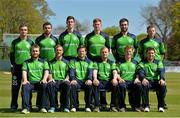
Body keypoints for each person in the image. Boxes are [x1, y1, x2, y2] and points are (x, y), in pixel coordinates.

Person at [10, 24, 34, 111]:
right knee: (15, 88)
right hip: (17, 68)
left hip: (27, 69)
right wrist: (12, 64)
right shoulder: (14, 42)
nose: (23, 31)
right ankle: (13, 105)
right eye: (22, 30)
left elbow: (33, 54)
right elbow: (12, 55)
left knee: (27, 87)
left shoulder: (31, 42)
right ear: (19, 31)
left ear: (27, 31)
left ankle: (28, 105)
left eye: (25, 30)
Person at [21, 44, 49, 114]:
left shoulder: (44, 61)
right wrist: (25, 80)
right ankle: (26, 108)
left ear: (39, 52)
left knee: (45, 85)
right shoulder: (26, 62)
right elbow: (24, 71)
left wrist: (44, 79)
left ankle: (42, 107)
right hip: (30, 83)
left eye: (36, 51)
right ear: (31, 52)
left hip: (39, 82)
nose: (35, 52)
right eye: (33, 51)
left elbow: (46, 71)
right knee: (25, 86)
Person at [138, 47, 166, 112]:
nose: (151, 54)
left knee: (163, 86)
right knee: (144, 85)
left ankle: (161, 106)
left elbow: (161, 71)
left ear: (155, 54)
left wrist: (162, 79)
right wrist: (143, 79)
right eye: (149, 53)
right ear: (146, 54)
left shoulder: (158, 62)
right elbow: (141, 72)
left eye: (152, 53)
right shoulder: (142, 62)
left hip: (156, 81)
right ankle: (146, 106)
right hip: (147, 81)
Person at [116, 46, 142, 112]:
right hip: (123, 81)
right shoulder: (119, 62)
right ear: (124, 52)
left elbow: (138, 72)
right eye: (127, 51)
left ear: (133, 52)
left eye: (130, 51)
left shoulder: (136, 62)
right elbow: (117, 73)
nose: (128, 53)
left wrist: (137, 78)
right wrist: (120, 79)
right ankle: (122, 106)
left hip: (133, 81)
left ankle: (136, 106)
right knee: (121, 86)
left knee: (139, 85)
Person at [92, 47, 118, 112]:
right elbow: (95, 71)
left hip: (109, 82)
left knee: (115, 85)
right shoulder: (96, 62)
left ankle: (113, 106)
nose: (104, 53)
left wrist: (114, 79)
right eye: (103, 52)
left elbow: (114, 71)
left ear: (109, 53)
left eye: (106, 52)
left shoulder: (112, 62)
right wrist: (95, 79)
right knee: (95, 84)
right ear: (100, 53)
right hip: (100, 81)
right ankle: (97, 106)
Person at [47, 45, 70, 113]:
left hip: (63, 80)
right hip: (54, 80)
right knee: (50, 84)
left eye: (60, 50)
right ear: (54, 51)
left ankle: (65, 106)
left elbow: (68, 72)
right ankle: (53, 106)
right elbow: (49, 72)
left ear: (62, 51)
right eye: (57, 50)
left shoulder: (67, 62)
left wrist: (66, 78)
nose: (58, 51)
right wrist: (51, 78)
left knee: (67, 84)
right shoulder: (51, 62)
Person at [69, 45, 93, 112]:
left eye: (83, 51)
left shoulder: (90, 62)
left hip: (85, 80)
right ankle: (74, 106)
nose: (81, 53)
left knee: (89, 85)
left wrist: (89, 79)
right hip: (77, 80)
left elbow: (90, 72)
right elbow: (71, 71)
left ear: (86, 52)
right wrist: (73, 79)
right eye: (79, 51)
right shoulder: (73, 61)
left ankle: (88, 106)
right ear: (77, 52)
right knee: (73, 85)